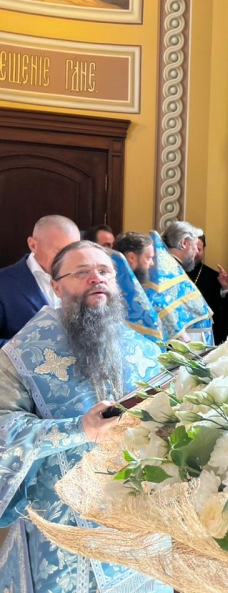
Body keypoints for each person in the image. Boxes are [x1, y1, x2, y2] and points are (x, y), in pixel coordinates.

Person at [0, 241, 170, 592]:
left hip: (141, 524)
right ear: (57, 286)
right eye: (82, 272)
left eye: (104, 271)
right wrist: (79, 429)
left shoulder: (146, 348)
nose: (96, 278)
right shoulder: (21, 355)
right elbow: (4, 427)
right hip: (65, 531)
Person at [0, 215, 80, 346]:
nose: (66, 259)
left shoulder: (86, 279)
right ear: (33, 245)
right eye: (59, 252)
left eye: (72, 252)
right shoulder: (3, 283)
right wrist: (30, 352)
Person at [186, 235, 228, 343]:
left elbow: (224, 312)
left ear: (204, 250)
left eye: (199, 249)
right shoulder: (173, 273)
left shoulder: (213, 277)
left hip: (203, 337)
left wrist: (225, 287)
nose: (195, 253)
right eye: (193, 248)